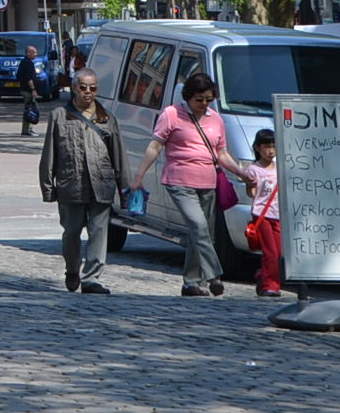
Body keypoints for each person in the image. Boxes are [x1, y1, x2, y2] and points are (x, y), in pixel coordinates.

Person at [131, 70, 251, 297]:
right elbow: (155, 146)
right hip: (179, 180)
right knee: (198, 226)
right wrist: (139, 176)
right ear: (188, 96)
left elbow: (222, 153)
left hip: (208, 182)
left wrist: (240, 172)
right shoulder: (172, 114)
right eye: (199, 100)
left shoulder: (216, 119)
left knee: (204, 233)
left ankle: (191, 283)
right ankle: (214, 275)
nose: (204, 104)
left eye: (208, 100)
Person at [37, 68, 125, 294]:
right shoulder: (59, 115)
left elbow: (119, 155)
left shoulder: (107, 117)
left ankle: (92, 278)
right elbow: (50, 153)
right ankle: (72, 269)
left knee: (98, 231)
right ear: (74, 88)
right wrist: (48, 186)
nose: (88, 92)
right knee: (72, 232)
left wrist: (124, 187)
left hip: (101, 184)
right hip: (71, 184)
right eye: (83, 87)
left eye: (93, 88)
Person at [245, 128, 284, 299]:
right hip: (262, 214)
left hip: (279, 214)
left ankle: (263, 276)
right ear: (258, 148)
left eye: (274, 147)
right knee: (270, 252)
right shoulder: (254, 169)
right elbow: (251, 192)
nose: (271, 151)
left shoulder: (280, 168)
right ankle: (271, 286)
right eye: (267, 147)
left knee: (280, 252)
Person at [17, 46, 41, 137]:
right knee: (31, 109)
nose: (36, 54)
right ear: (28, 53)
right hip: (27, 90)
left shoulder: (24, 62)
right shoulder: (27, 64)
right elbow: (29, 78)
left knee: (29, 109)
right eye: (34, 52)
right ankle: (27, 130)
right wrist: (33, 89)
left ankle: (26, 130)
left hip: (24, 89)